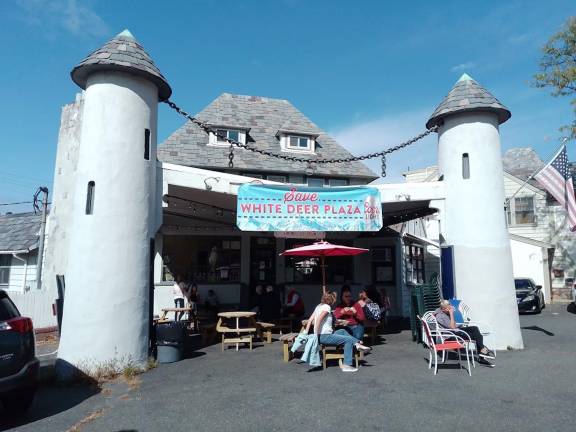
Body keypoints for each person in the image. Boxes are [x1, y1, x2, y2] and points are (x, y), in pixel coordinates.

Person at [304, 291, 371, 372]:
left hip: (326, 335)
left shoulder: (319, 306)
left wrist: (305, 332)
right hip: (324, 336)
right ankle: (347, 365)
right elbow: (318, 320)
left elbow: (310, 320)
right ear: (331, 300)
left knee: (342, 331)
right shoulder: (327, 307)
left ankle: (356, 343)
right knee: (348, 340)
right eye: (334, 299)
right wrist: (315, 335)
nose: (335, 301)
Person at [434, 299, 495, 366]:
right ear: (443, 309)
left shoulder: (446, 311)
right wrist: (451, 314)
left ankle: (482, 351)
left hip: (456, 330)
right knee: (476, 336)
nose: (451, 308)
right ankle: (482, 354)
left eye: (450, 306)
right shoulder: (439, 317)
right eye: (449, 307)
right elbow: (452, 327)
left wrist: (451, 312)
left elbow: (454, 324)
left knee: (475, 328)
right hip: (450, 336)